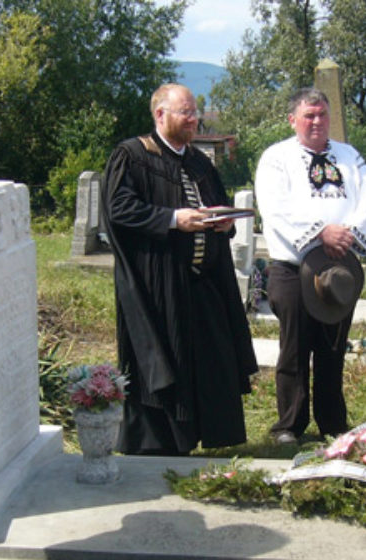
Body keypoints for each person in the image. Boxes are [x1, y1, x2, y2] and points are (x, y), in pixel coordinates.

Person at [101, 83, 257, 455]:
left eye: (194, 113)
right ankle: (160, 447)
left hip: (204, 285)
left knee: (209, 360)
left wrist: (223, 222)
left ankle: (206, 435)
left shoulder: (199, 162)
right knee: (164, 362)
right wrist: (173, 219)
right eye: (185, 112)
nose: (193, 120)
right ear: (160, 115)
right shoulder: (132, 156)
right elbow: (119, 209)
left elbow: (218, 206)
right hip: (157, 286)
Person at [254, 87, 366, 444]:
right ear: (293, 119)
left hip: (339, 267)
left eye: (322, 114)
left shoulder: (348, 156)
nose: (316, 121)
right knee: (294, 348)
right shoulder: (276, 158)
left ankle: (333, 424)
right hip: (293, 267)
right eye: (308, 115)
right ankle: (289, 426)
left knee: (332, 348)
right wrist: (321, 232)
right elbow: (275, 208)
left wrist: (348, 235)